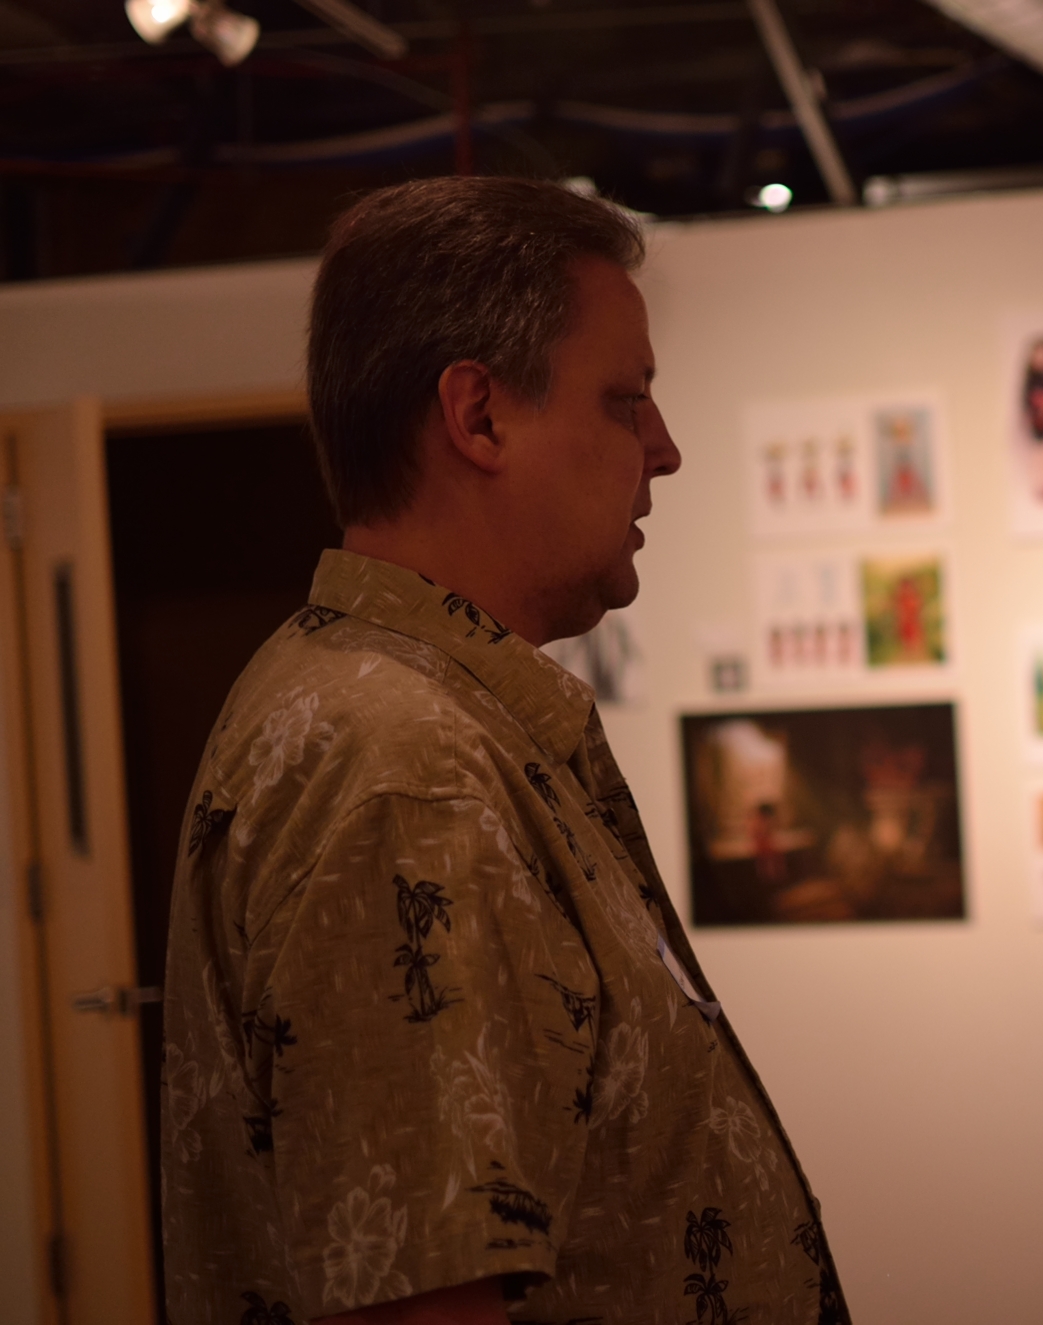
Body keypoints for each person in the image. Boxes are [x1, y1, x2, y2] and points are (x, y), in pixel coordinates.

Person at [160, 177, 849, 1325]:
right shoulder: (404, 763)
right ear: (478, 416)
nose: (664, 449)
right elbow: (422, 1298)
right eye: (625, 400)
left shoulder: (412, 714)